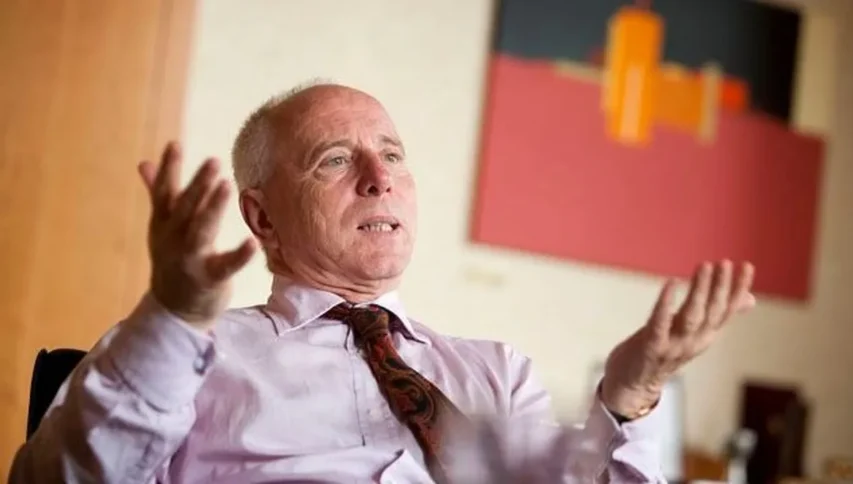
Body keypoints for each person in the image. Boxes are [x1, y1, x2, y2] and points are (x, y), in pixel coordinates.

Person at [9, 83, 756, 483]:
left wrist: (629, 398)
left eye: (393, 155)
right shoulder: (190, 357)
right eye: (335, 160)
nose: (379, 178)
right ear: (261, 217)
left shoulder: (497, 374)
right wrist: (173, 318)